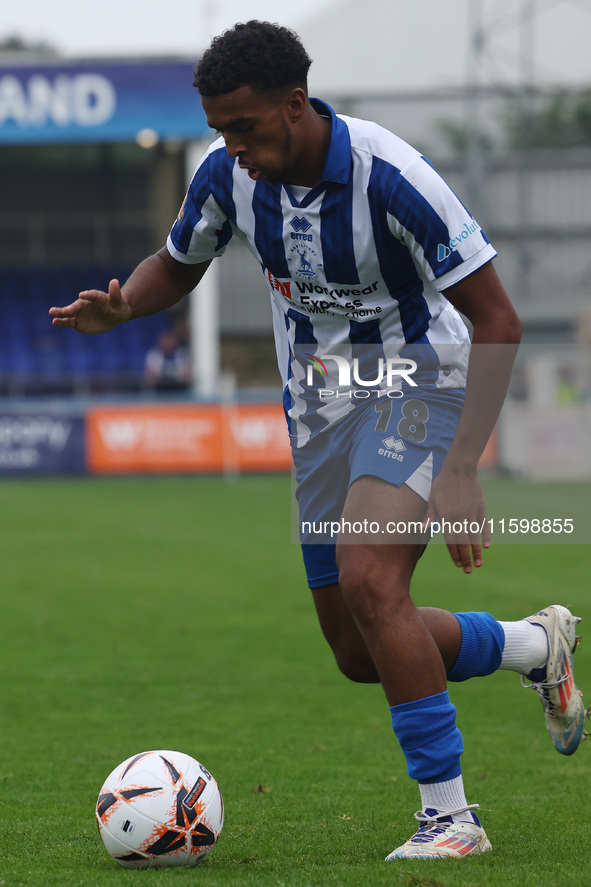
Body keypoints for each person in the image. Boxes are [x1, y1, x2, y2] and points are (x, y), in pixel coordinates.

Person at [49, 21, 588, 860]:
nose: (232, 147)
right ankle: (531, 644)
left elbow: (497, 318)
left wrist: (461, 468)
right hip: (321, 409)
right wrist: (126, 305)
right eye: (220, 131)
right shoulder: (231, 175)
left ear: (294, 105)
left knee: (374, 579)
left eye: (245, 128)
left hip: (419, 383)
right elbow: (177, 259)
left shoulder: (393, 177)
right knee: (357, 646)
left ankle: (450, 817)